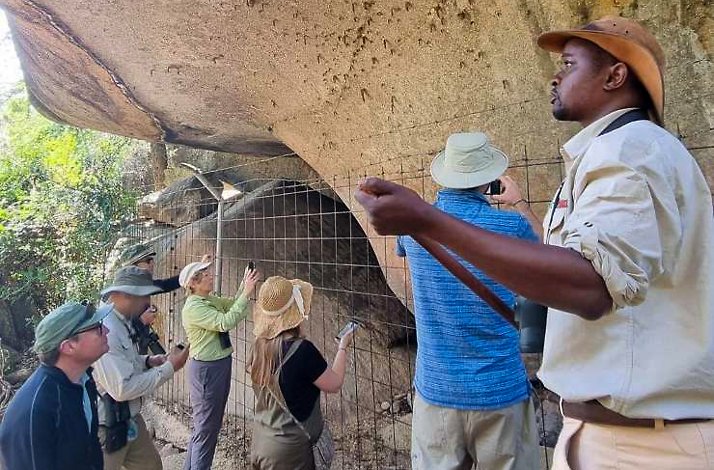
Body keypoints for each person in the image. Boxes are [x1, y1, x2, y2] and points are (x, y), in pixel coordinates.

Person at [355, 16, 714, 469]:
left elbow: (590, 284)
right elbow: (573, 264)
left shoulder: (630, 150)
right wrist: (517, 208)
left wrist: (427, 220)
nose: (555, 76)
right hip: (566, 413)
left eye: (568, 63)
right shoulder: (601, 164)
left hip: (641, 445)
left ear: (615, 76)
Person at [397, 132, 539, 469]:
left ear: (445, 174)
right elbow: (554, 253)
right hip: (499, 387)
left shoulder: (412, 229)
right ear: (489, 179)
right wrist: (518, 201)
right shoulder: (511, 227)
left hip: (436, 388)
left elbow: (403, 247)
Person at [249, 276, 354, 470]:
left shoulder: (259, 347)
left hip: (262, 443)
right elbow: (334, 383)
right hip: (291, 451)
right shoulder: (302, 350)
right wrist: (343, 347)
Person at [94, 266, 190, 470]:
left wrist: (147, 361)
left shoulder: (122, 321)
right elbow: (122, 389)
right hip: (108, 427)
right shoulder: (107, 330)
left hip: (130, 420)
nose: (148, 303)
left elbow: (125, 361)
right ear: (128, 295)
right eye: (145, 296)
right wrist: (170, 367)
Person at [0, 301, 112, 470]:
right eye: (97, 327)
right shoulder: (36, 409)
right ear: (68, 346)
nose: (107, 331)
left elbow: (89, 447)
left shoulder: (83, 380)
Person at [180, 261, 259, 469]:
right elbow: (225, 322)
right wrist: (246, 293)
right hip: (207, 370)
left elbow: (234, 307)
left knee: (205, 429)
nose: (210, 275)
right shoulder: (194, 308)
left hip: (218, 365)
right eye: (205, 274)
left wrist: (245, 286)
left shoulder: (208, 299)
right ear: (194, 283)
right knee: (206, 430)